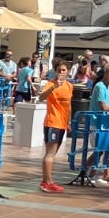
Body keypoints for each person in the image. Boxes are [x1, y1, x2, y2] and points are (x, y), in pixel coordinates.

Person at [38, 61, 74, 193]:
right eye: (59, 70)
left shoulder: (70, 86)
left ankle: (47, 180)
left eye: (64, 70)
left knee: (52, 153)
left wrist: (69, 122)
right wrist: (53, 88)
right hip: (52, 122)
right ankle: (47, 182)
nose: (61, 72)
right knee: (50, 153)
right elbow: (41, 97)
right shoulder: (51, 83)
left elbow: (69, 104)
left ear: (68, 71)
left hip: (62, 123)